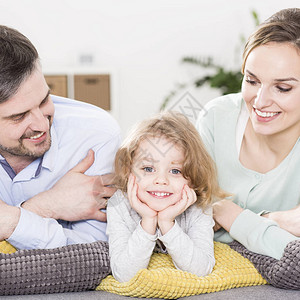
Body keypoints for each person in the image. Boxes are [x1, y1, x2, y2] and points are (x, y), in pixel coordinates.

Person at [0, 25, 120, 249]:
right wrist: (45, 207)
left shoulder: (96, 135)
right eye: (19, 116)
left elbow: (95, 252)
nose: (41, 124)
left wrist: (9, 220)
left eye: (45, 99)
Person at [196, 8, 300, 260]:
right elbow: (186, 223)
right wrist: (276, 224)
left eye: (283, 88)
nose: (260, 101)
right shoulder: (216, 117)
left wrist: (230, 216)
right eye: (252, 81)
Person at [106, 111, 228, 282]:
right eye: (148, 169)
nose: (161, 180)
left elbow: (201, 269)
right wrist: (148, 220)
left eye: (175, 171)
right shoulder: (119, 205)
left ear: (193, 178)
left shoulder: (198, 207)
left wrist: (166, 223)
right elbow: (125, 275)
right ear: (128, 171)